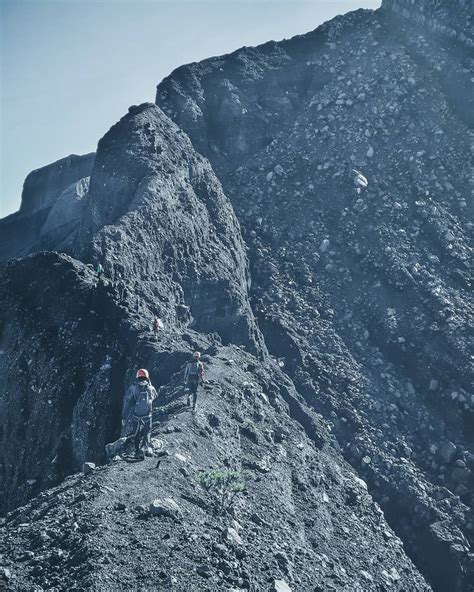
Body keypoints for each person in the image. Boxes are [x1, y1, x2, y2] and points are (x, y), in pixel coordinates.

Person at [122, 368, 158, 459]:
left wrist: (124, 417)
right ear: (147, 377)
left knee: (136, 434)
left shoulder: (133, 388)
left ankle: (137, 450)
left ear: (137, 376)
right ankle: (145, 448)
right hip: (147, 415)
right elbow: (156, 396)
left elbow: (127, 404)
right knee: (147, 432)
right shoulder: (151, 388)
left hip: (136, 416)